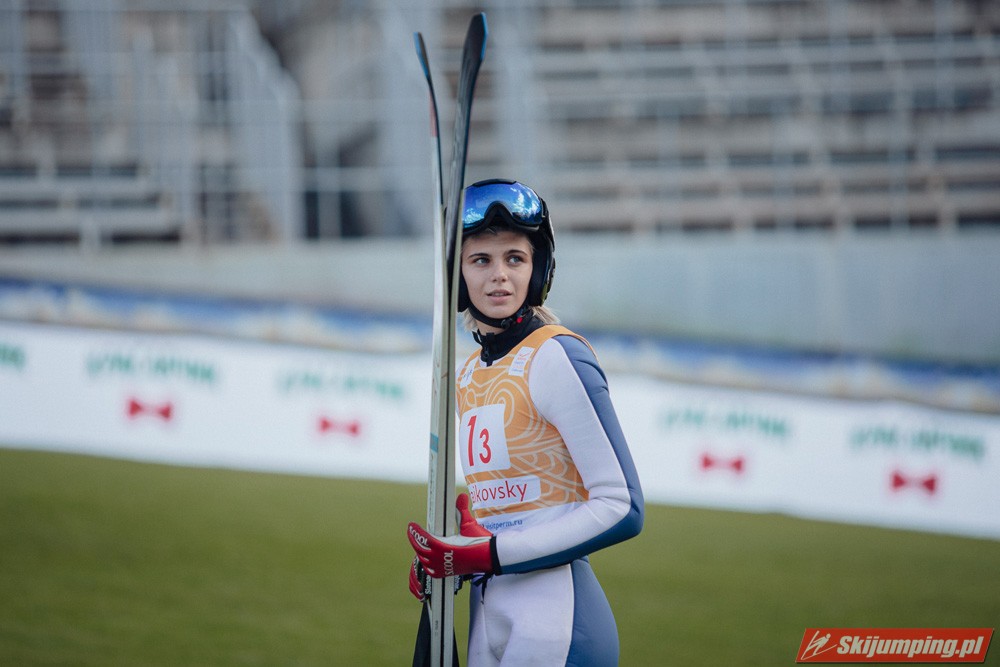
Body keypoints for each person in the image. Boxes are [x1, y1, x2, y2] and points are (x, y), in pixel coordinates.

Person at [407, 179, 644, 666]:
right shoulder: (467, 373)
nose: (500, 276)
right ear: (457, 275)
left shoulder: (557, 355)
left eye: (514, 258)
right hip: (489, 613)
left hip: (557, 622)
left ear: (537, 270)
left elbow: (622, 505)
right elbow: (510, 515)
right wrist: (457, 551)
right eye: (481, 260)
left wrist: (488, 554)